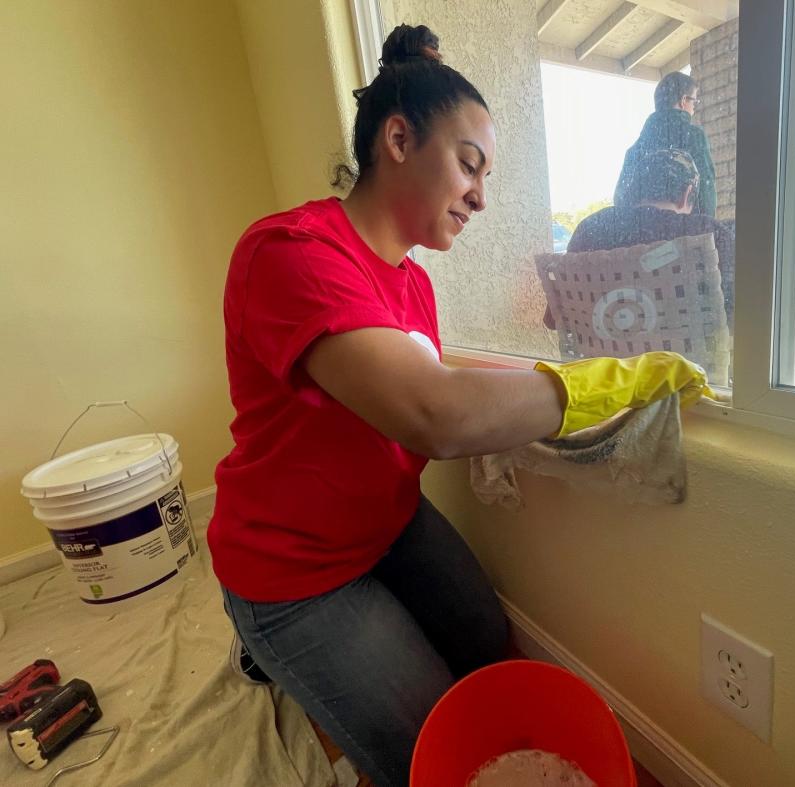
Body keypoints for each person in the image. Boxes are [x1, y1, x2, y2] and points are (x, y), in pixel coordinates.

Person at [206, 24, 711, 787]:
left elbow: (434, 399)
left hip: (386, 521)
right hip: (294, 567)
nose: (480, 195)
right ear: (399, 138)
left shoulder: (412, 283)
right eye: (469, 165)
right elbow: (434, 414)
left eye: (486, 175)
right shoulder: (289, 254)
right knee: (426, 746)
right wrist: (593, 386)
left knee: (485, 639)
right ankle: (263, 639)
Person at [544, 148, 734, 331]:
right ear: (687, 195)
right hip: (681, 364)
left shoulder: (589, 229)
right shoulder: (709, 234)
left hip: (604, 363)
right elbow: (740, 315)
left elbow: (554, 319)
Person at [614, 71, 717, 217]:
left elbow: (620, 200)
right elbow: (706, 192)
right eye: (694, 101)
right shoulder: (694, 136)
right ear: (683, 101)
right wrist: (708, 226)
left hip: (642, 233)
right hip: (684, 233)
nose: (694, 107)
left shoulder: (634, 150)